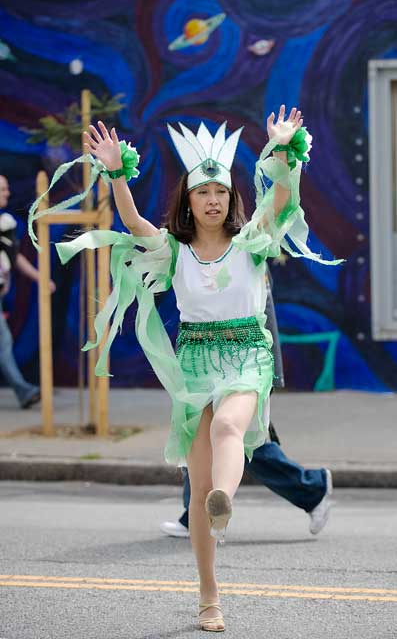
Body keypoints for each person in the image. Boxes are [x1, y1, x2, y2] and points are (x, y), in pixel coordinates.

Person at [38, 106, 342, 632]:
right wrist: (114, 172)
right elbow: (131, 223)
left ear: (231, 199)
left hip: (248, 355)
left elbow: (284, 198)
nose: (212, 200)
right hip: (195, 364)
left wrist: (285, 152)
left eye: (220, 192)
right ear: (189, 200)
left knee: (230, 427)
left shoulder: (251, 243)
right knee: (195, 493)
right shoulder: (174, 250)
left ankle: (225, 498)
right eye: (203, 193)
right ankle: (209, 596)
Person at [160, 269, 333, 539]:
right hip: (209, 367)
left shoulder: (244, 251)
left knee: (241, 442)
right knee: (202, 436)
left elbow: (262, 313)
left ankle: (312, 489)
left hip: (245, 367)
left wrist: (269, 373)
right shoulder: (201, 248)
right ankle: (193, 511)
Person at [0, 175, 55, 409]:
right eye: (2, 189)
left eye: (7, 188)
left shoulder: (6, 223)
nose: (7, 193)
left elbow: (15, 257)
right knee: (3, 342)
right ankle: (25, 391)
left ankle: (24, 390)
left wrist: (40, 278)